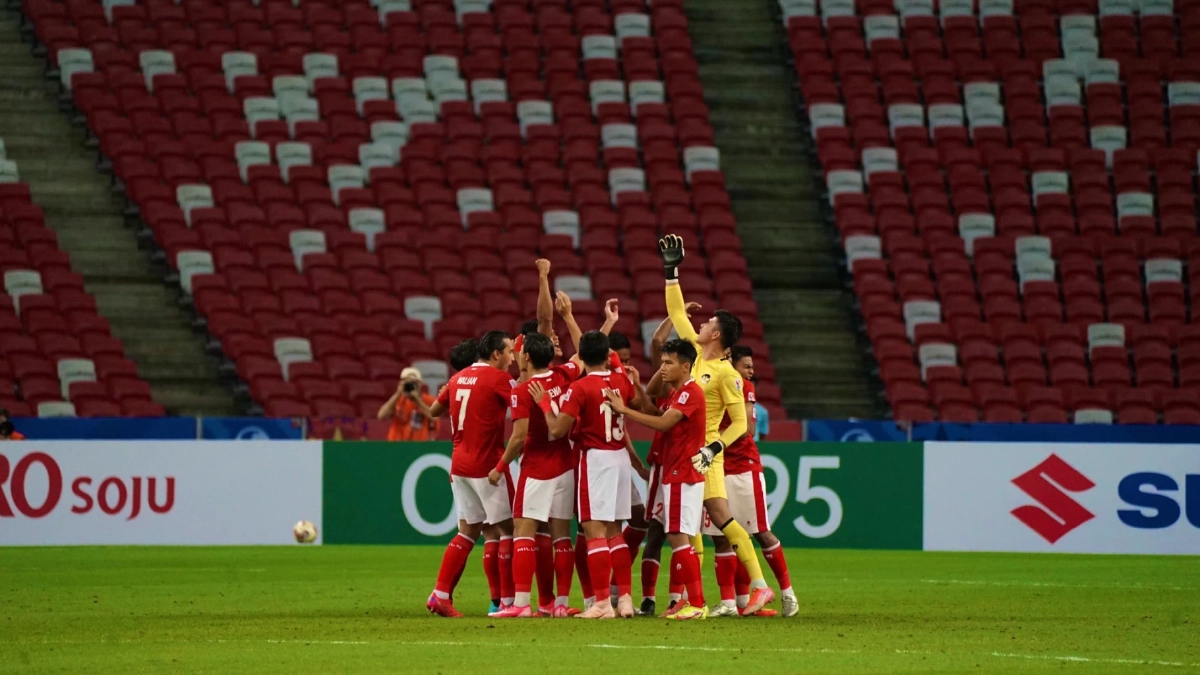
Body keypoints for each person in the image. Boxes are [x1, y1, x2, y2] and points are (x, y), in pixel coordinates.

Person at [658, 233, 775, 615]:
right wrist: (671, 272)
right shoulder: (695, 355)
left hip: (704, 454)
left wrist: (713, 449)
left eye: (708, 322)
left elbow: (741, 423)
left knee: (717, 519)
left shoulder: (728, 374)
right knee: (692, 526)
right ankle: (689, 598)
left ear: (718, 334)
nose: (701, 323)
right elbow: (677, 313)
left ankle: (754, 586)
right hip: (687, 451)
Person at [532, 330, 636, 619]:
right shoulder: (621, 380)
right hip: (620, 457)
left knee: (593, 531)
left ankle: (602, 603)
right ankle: (625, 599)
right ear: (607, 355)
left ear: (581, 356)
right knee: (615, 531)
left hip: (596, 460)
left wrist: (543, 404)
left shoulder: (579, 388)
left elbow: (556, 429)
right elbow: (635, 402)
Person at [606, 339, 709, 620]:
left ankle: (696, 604)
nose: (662, 367)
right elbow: (656, 412)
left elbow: (664, 423)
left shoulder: (690, 393)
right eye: (662, 362)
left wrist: (624, 410)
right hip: (673, 472)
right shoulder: (677, 393)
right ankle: (686, 602)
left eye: (668, 363)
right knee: (675, 535)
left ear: (685, 366)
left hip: (682, 473)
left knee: (678, 536)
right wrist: (637, 387)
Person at [425, 330, 517, 618]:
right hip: (487, 465)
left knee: (469, 531)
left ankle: (440, 594)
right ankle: (507, 602)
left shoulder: (456, 378)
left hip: (459, 465)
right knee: (512, 531)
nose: (513, 357)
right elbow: (524, 402)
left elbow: (434, 409)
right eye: (510, 352)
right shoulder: (499, 379)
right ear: (495, 354)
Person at [488, 332, 577, 618]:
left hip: (537, 469)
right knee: (562, 538)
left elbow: (518, 437)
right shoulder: (564, 374)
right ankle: (560, 603)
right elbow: (582, 357)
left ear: (526, 357)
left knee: (523, 534)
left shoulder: (522, 391)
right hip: (565, 466)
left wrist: (500, 467)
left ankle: (522, 603)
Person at [707, 346, 797, 617]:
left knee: (760, 532)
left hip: (743, 468)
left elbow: (747, 428)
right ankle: (732, 604)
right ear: (730, 362)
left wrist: (711, 433)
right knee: (721, 538)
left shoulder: (743, 386)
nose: (751, 371)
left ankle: (788, 593)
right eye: (747, 366)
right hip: (719, 467)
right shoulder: (714, 383)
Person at [378, 367, 439, 441]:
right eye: (407, 382)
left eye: (414, 382)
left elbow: (434, 418)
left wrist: (417, 400)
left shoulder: (429, 400)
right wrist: (398, 393)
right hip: (396, 443)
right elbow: (381, 415)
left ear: (420, 384)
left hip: (418, 444)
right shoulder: (397, 399)